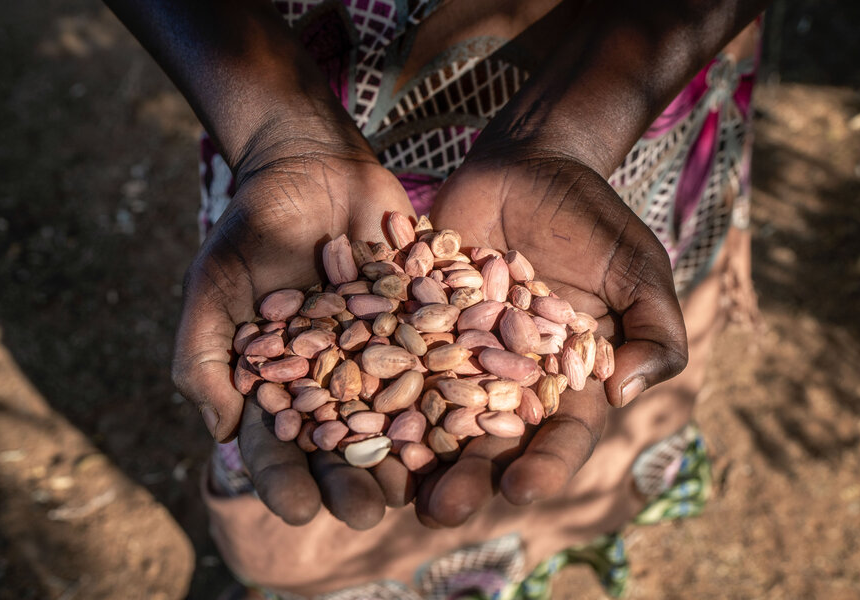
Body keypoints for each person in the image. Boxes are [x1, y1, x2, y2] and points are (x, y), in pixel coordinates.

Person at [106, 0, 766, 597]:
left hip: (631, 92)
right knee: (336, 468)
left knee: (562, 428)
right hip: (275, 81)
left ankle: (547, 550)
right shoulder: (376, 309)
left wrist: (575, 132)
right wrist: (273, 130)